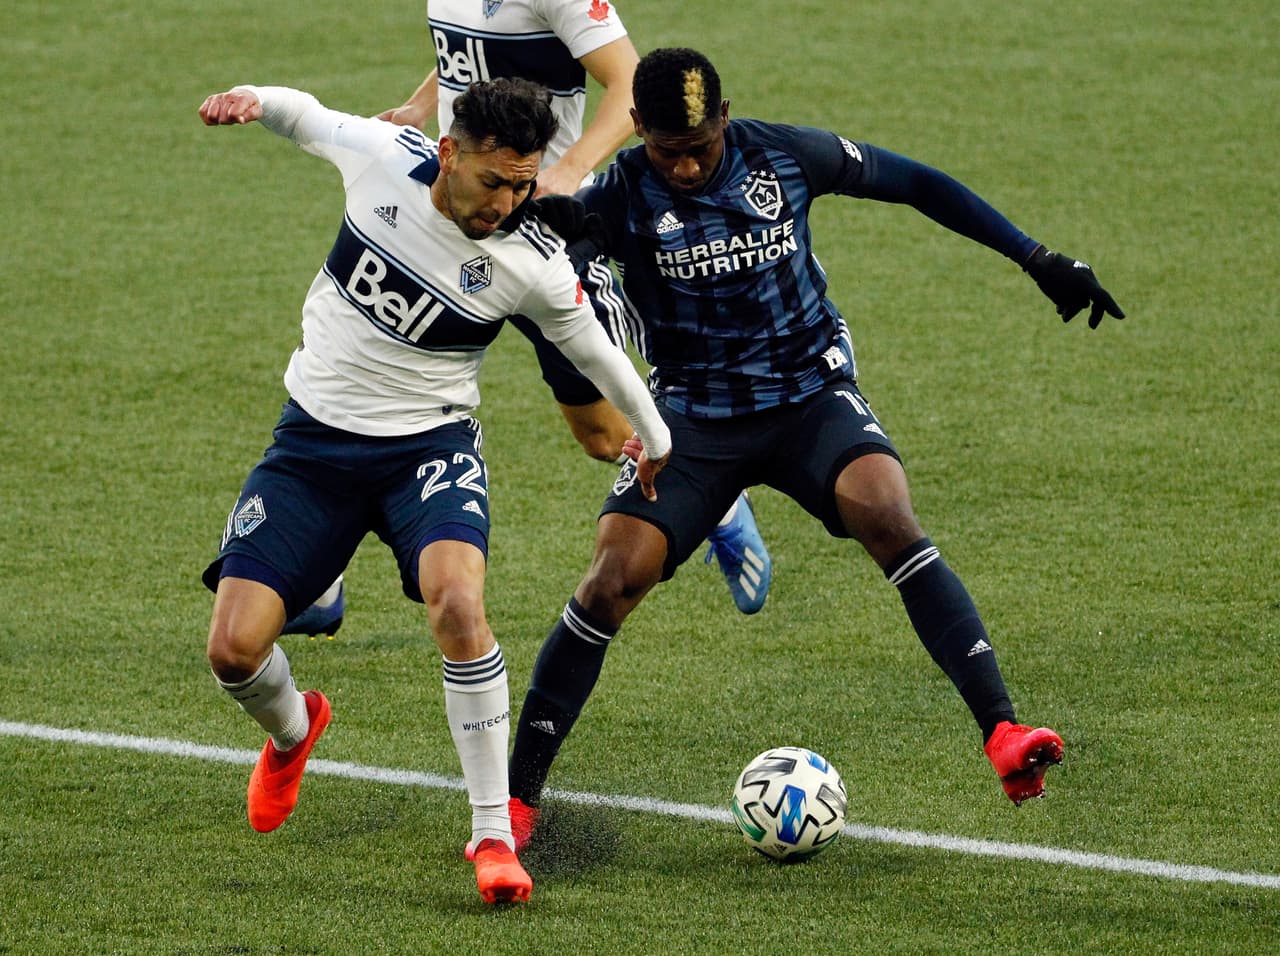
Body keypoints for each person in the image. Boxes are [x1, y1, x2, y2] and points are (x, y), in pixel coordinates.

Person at [497, 46, 1127, 852]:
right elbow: (551, 292)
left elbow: (918, 183)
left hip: (809, 397)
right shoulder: (615, 195)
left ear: (725, 119)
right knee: (610, 582)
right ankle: (514, 803)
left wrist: (1036, 257)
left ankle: (1003, 732)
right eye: (666, 150)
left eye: (699, 145)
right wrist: (570, 240)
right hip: (695, 415)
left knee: (888, 513)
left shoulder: (784, 156)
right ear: (642, 136)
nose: (685, 166)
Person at [197, 76, 671, 903]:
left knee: (457, 602)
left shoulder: (526, 259)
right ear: (449, 153)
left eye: (524, 184)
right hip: (311, 448)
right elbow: (306, 117)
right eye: (494, 182)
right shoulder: (383, 160)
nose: (508, 203)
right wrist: (252, 98)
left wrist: (657, 439)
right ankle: (295, 733)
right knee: (233, 652)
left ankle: (492, 836)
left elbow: (597, 352)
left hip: (429, 449)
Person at [277, 0, 770, 641]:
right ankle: (316, 578)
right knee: (366, 363)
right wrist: (419, 108)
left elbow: (629, 83)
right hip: (458, 206)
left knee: (599, 435)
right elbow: (470, 56)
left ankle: (717, 496)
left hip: (537, 237)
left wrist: (566, 172)